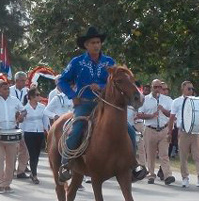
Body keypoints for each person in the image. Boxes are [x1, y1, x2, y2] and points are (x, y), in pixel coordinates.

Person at [57, 26, 146, 182]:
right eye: (93, 43)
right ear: (86, 45)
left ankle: (133, 165)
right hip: (84, 104)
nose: (96, 45)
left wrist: (102, 87)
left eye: (98, 42)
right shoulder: (77, 62)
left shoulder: (109, 62)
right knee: (76, 130)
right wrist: (72, 95)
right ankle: (65, 164)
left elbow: (119, 82)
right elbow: (62, 81)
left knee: (129, 130)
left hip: (105, 105)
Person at [169, 81, 199, 188]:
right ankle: (185, 178)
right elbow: (172, 117)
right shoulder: (176, 101)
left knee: (197, 156)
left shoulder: (196, 101)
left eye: (192, 89)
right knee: (183, 156)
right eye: (189, 89)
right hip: (183, 132)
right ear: (183, 89)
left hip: (195, 132)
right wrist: (170, 132)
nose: (191, 91)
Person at [137, 79, 175, 185]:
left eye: (160, 87)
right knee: (150, 154)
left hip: (163, 129)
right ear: (151, 87)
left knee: (164, 154)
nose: (158, 89)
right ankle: (151, 175)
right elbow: (139, 114)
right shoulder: (145, 99)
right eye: (155, 87)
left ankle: (168, 175)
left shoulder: (167, 100)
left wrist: (163, 110)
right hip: (150, 129)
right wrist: (151, 116)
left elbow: (172, 115)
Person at [19, 87, 48, 184]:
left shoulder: (42, 107)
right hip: (29, 132)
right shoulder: (25, 108)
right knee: (32, 154)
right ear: (31, 97)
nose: (39, 96)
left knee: (37, 154)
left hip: (39, 132)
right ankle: (34, 174)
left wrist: (47, 130)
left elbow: (45, 120)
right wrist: (21, 133)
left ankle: (33, 172)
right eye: (37, 95)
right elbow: (21, 122)